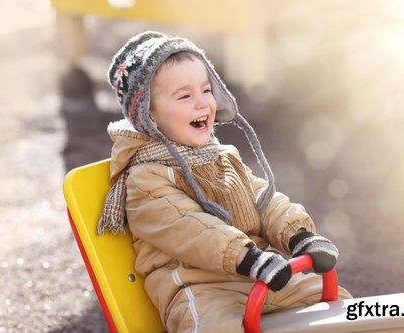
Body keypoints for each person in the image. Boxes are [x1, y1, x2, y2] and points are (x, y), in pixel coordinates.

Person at [98, 31, 352, 333]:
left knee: (336, 304)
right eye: (184, 96)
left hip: (258, 275)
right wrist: (247, 256)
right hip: (200, 286)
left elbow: (262, 197)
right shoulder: (144, 179)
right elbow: (190, 228)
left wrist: (298, 235)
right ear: (148, 115)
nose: (202, 103)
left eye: (206, 90)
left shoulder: (220, 156)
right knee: (211, 327)